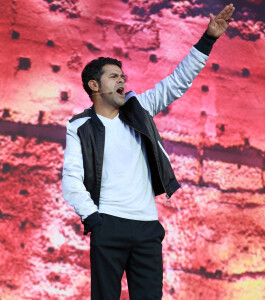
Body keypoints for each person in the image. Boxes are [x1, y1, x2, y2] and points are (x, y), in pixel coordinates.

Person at [62, 4, 235, 300]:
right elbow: (71, 179)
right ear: (93, 85)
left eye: (122, 76)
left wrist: (208, 39)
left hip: (146, 228)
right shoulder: (80, 126)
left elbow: (177, 82)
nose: (121, 81)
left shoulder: (139, 109)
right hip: (108, 224)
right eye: (113, 76)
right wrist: (94, 219)